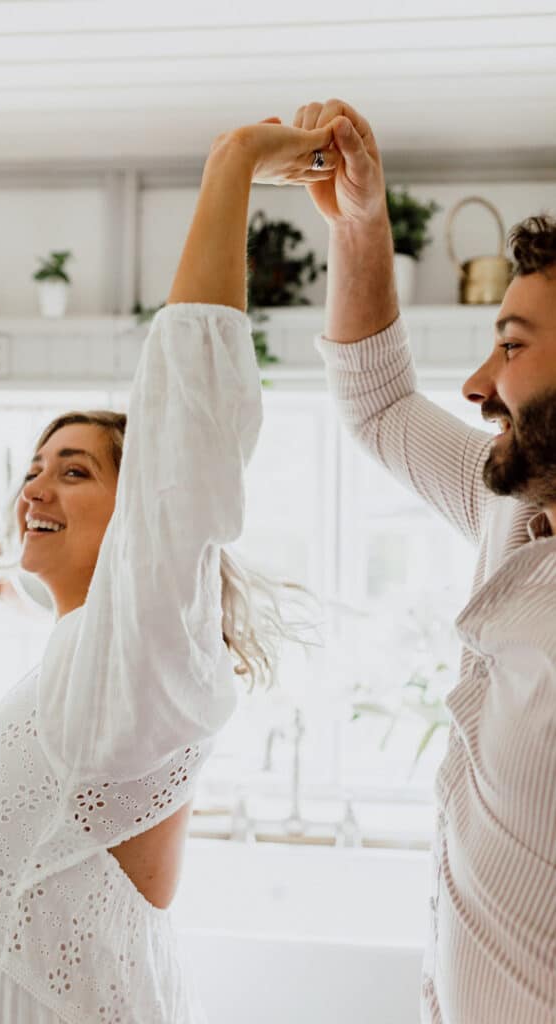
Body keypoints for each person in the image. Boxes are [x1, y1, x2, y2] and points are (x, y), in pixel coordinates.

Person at [0, 117, 335, 1023]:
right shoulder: (88, 654)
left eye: (75, 470)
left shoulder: (147, 640)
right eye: (32, 469)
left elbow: (189, 432)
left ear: (143, 517)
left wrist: (231, 164)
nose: (35, 487)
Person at [299, 97, 555, 1023]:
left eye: (512, 347)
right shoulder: (509, 500)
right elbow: (376, 404)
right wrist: (361, 222)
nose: (479, 384)